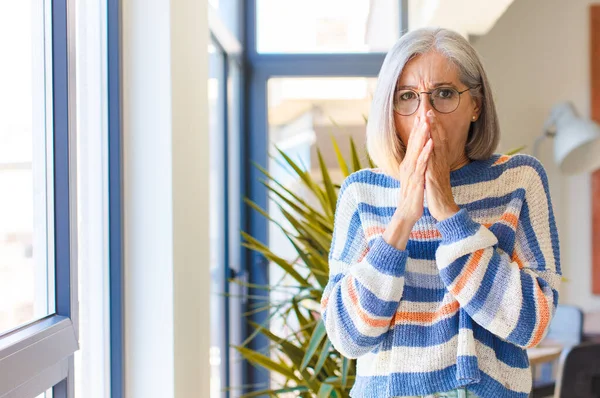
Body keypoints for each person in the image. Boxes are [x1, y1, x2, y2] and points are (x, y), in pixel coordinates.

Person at [320, 27, 561, 398]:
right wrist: (402, 219)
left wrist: (448, 212)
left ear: (476, 105)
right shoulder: (361, 193)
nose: (425, 116)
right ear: (390, 108)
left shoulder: (517, 181)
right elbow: (348, 338)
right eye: (407, 97)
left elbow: (531, 322)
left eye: (444, 94)